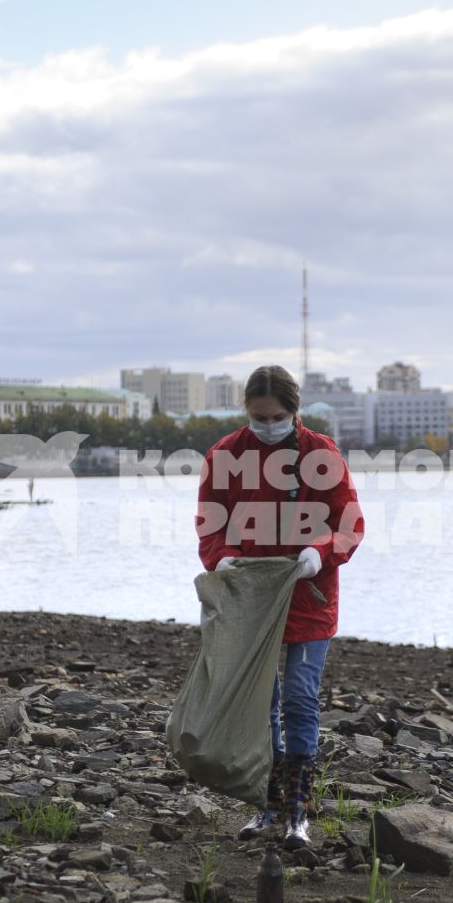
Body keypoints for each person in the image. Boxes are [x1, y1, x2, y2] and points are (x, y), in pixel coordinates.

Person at [196, 364, 363, 850]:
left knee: (298, 699)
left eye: (275, 417)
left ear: (295, 411)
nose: (266, 425)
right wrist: (221, 557)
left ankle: (298, 810)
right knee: (262, 704)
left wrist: (320, 552)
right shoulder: (225, 455)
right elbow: (210, 523)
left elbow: (349, 524)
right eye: (257, 417)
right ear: (245, 411)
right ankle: (267, 803)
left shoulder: (322, 454)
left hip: (309, 596)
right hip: (250, 601)